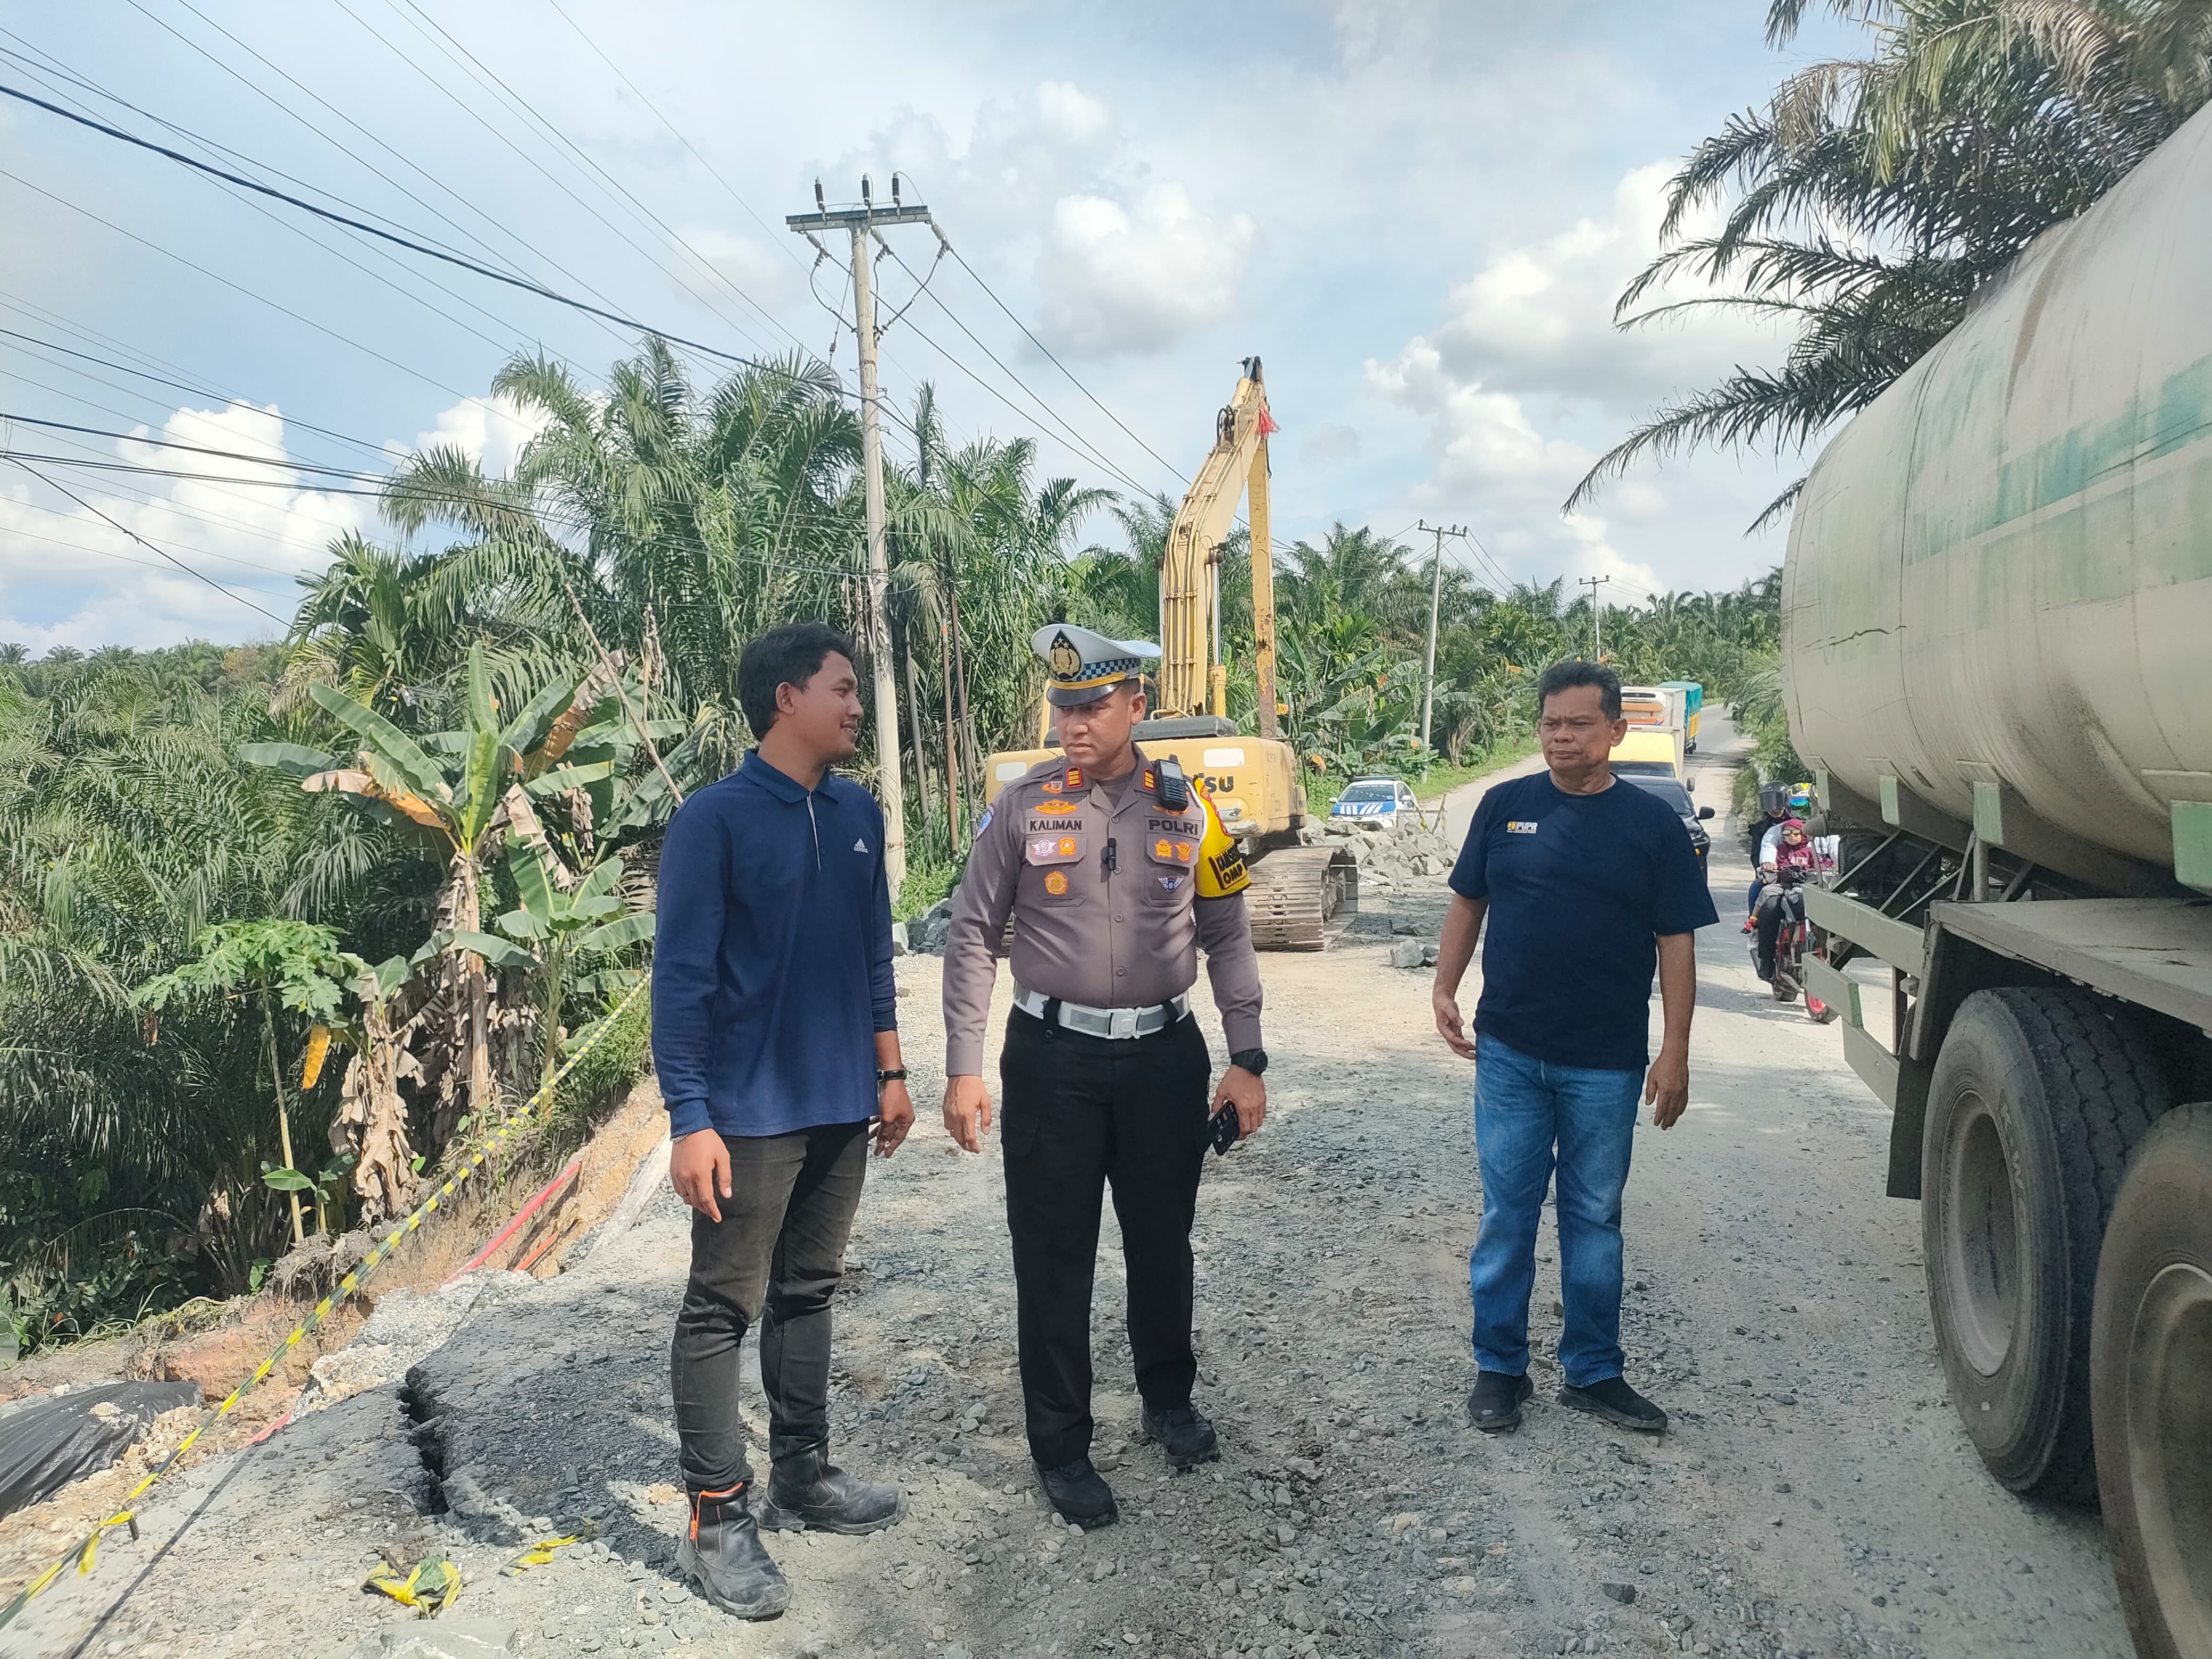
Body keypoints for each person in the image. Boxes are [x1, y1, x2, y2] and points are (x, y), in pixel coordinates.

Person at [940, 623, 1268, 1530]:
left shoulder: (1189, 807)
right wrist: (964, 1065)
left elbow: (1228, 934)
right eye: (1063, 706)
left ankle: (1169, 1398)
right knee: (1053, 1257)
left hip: (1166, 1057)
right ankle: (1062, 1445)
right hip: (1053, 1061)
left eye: (1091, 705)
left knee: (1165, 1241)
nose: (1073, 722)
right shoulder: (1022, 808)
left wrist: (1247, 1057)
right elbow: (972, 934)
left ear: (1137, 706)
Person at [652, 623, 915, 1619]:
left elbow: (874, 959)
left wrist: (891, 1072)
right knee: (722, 1306)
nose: (857, 706)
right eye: (844, 690)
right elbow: (679, 981)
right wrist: (690, 1116)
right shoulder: (712, 822)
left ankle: (803, 1475)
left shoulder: (856, 813)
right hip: (748, 1115)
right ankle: (718, 1518)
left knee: (810, 1289)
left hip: (845, 1102)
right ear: (786, 701)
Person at [1431, 659, 1718, 1436]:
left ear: (1617, 731)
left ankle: (1594, 1372)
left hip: (1607, 1061)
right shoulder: (1504, 806)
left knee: (1594, 1217)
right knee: (1508, 1216)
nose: (1561, 737)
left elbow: (1676, 941)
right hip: (1511, 1053)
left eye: (1579, 724)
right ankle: (1500, 1369)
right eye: (1551, 723)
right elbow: (1469, 901)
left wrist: (1677, 1049)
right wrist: (1443, 987)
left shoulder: (1653, 825)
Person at [1753, 818, 1819, 982]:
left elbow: (1829, 858)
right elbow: (1769, 851)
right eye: (1787, 834)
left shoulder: (1816, 844)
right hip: (1785, 886)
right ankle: (1767, 959)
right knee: (1769, 907)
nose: (1792, 836)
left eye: (1796, 833)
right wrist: (1769, 864)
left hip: (1810, 887)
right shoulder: (1777, 840)